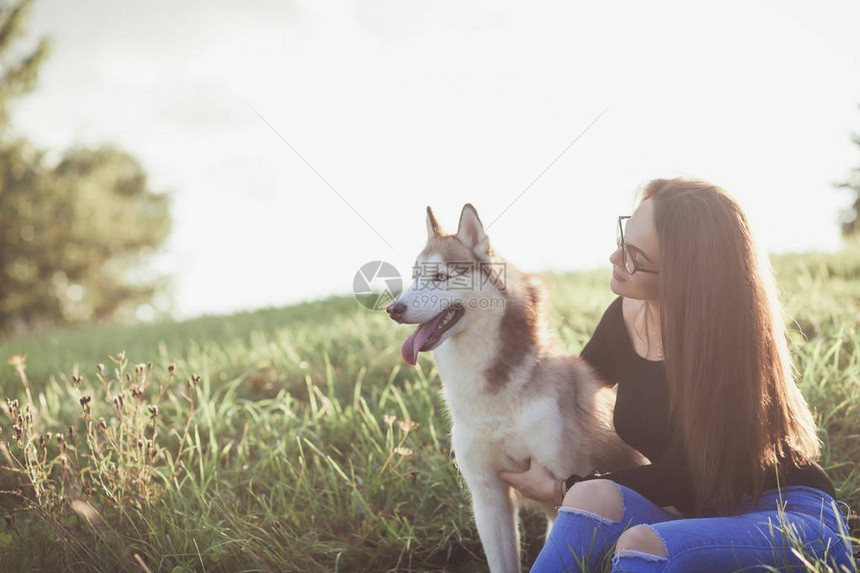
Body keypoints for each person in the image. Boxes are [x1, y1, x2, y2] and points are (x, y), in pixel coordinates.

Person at [499, 178, 855, 572]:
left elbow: (685, 477)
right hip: (702, 516)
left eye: (634, 254)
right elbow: (568, 395)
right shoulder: (627, 314)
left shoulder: (726, 344)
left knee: (641, 544)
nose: (615, 257)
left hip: (788, 518)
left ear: (683, 275)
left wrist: (558, 489)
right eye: (623, 236)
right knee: (589, 498)